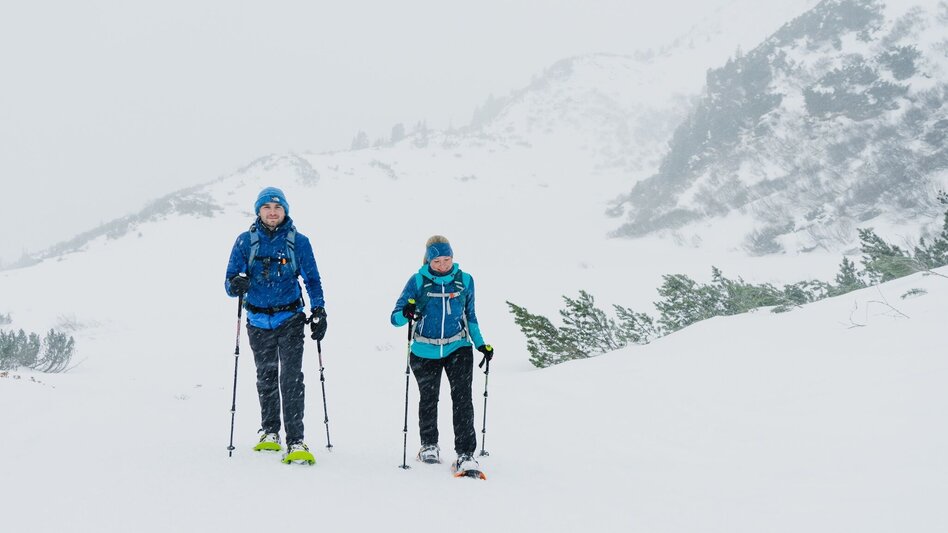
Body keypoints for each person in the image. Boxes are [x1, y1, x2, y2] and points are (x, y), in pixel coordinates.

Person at [224, 186, 327, 463]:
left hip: (290, 317)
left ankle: (296, 440)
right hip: (257, 320)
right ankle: (270, 432)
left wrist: (319, 310)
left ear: (285, 211)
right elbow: (229, 281)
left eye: (277, 207)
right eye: (267, 208)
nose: (272, 212)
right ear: (258, 211)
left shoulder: (299, 242)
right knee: (266, 376)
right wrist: (236, 284)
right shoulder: (245, 241)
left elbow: (312, 279)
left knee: (291, 378)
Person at [391, 235, 494, 474]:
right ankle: (429, 445)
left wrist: (481, 345)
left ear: (452, 257)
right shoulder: (417, 281)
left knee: (463, 400)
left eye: (446, 259)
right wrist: (406, 312)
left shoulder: (465, 281)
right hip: (424, 350)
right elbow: (395, 318)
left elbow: (471, 316)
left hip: (458, 347)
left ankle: (465, 454)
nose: (442, 265)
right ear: (428, 260)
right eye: (437, 261)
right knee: (429, 398)